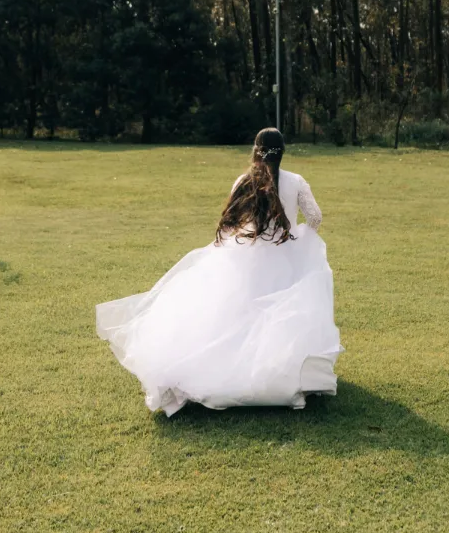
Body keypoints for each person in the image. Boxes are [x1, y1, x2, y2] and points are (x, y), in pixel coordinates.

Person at [95, 128, 342, 417]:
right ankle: (280, 376)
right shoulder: (296, 181)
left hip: (246, 257)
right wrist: (298, 241)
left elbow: (228, 223)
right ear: (283, 152)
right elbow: (315, 217)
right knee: (278, 318)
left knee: (237, 315)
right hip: (284, 257)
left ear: (255, 150)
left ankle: (234, 370)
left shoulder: (244, 181)